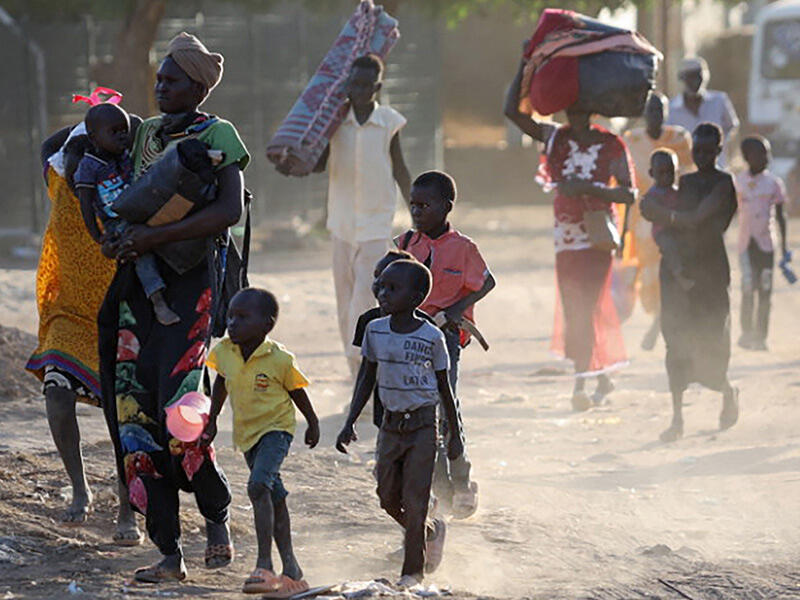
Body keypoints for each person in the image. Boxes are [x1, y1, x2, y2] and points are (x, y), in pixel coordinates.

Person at [98, 32, 249, 582]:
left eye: (172, 80)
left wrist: (152, 240)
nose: (160, 87)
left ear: (199, 87)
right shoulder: (145, 136)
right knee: (135, 416)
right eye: (159, 79)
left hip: (192, 288)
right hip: (140, 291)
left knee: (181, 415)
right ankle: (168, 551)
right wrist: (120, 239)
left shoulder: (219, 134)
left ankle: (216, 517)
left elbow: (228, 211)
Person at [26, 121, 142, 544]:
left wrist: (113, 127)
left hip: (119, 314)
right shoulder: (57, 179)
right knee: (56, 392)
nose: (78, 173)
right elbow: (47, 144)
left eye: (86, 164)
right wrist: (92, 117)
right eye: (73, 163)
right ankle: (80, 487)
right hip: (68, 314)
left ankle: (127, 504)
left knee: (121, 416)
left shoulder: (121, 188)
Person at [504, 57, 634, 411]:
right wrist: (524, 61)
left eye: (581, 109)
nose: (574, 116)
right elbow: (512, 113)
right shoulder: (555, 138)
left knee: (584, 306)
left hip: (597, 236)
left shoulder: (611, 145)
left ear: (591, 110)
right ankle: (600, 374)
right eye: (569, 109)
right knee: (577, 304)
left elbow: (629, 193)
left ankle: (581, 383)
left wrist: (591, 190)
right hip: (565, 238)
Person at [278, 53, 411, 377]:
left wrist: (418, 214)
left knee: (365, 297)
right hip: (341, 222)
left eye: (367, 85)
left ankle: (366, 364)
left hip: (377, 223)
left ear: (377, 87)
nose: (360, 90)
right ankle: (355, 370)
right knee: (344, 299)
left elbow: (400, 168)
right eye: (355, 84)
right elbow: (319, 162)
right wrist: (291, 164)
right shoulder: (334, 122)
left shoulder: (389, 122)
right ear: (347, 85)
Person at [336, 259, 464, 588]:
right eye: (380, 286)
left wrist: (454, 436)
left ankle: (412, 572)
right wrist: (349, 421)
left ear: (417, 296)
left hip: (423, 425)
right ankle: (428, 531)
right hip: (390, 426)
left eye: (392, 288)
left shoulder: (431, 336)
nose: (382, 293)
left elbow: (444, 388)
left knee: (416, 497)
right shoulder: (374, 330)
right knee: (386, 494)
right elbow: (366, 377)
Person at [204, 288, 319, 596]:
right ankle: (292, 568)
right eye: (230, 316)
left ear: (266, 325)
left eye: (243, 317)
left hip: (276, 430)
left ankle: (264, 565)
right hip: (247, 434)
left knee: (258, 487)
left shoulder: (279, 358)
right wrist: (212, 419)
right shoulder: (225, 351)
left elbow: (297, 391)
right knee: (274, 495)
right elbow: (221, 383)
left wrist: (313, 421)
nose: (232, 323)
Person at [395, 171, 494, 518]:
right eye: (413, 205)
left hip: (445, 338)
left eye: (425, 205)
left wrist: (452, 312)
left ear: (446, 207)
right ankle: (440, 487)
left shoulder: (463, 248)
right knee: (420, 412)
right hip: (408, 336)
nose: (417, 211)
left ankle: (462, 479)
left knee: (445, 405)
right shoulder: (406, 245)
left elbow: (486, 281)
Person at [641, 123, 739, 442]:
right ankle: (677, 418)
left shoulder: (724, 183)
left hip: (711, 271)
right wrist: (655, 212)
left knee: (712, 341)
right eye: (697, 150)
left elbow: (697, 217)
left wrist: (663, 216)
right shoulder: (686, 181)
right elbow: (658, 210)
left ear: (719, 151)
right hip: (682, 271)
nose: (702, 156)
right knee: (677, 342)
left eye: (709, 151)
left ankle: (726, 390)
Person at [74, 103, 180, 326]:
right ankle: (157, 299)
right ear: (93, 138)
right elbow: (85, 204)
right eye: (114, 132)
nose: (122, 136)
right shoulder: (89, 166)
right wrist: (97, 235)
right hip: (116, 222)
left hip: (141, 210)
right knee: (139, 251)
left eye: (125, 130)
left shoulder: (125, 155)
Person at [623, 92, 693, 349]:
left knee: (671, 270)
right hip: (643, 219)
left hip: (672, 216)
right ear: (644, 113)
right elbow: (624, 181)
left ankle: (659, 328)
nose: (656, 115)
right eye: (651, 110)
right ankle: (659, 321)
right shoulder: (632, 139)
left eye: (660, 110)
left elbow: (688, 176)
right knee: (649, 279)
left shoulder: (679, 138)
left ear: (666, 112)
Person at [352, 249, 434, 432]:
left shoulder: (427, 327)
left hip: (419, 411)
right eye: (377, 279)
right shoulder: (368, 322)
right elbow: (366, 372)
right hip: (385, 409)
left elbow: (438, 376)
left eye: (392, 285)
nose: (380, 287)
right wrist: (352, 417)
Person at [735, 135, 789, 351]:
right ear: (748, 157)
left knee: (765, 289)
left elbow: (781, 215)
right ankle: (746, 333)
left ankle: (761, 335)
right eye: (761, 154)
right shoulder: (738, 182)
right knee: (748, 287)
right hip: (745, 245)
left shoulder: (773, 184)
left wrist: (784, 246)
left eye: (767, 154)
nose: (767, 158)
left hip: (766, 244)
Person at [666, 57, 739, 167]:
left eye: (698, 77)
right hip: (685, 169)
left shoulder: (719, 101)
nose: (695, 82)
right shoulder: (671, 108)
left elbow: (731, 126)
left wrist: (716, 146)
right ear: (682, 78)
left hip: (716, 167)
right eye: (690, 77)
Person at [645, 149, 695, 292]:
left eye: (670, 172)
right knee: (669, 247)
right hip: (662, 231)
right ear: (652, 173)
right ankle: (679, 275)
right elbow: (649, 209)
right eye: (661, 173)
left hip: (677, 230)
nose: (666, 177)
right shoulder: (653, 194)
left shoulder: (677, 191)